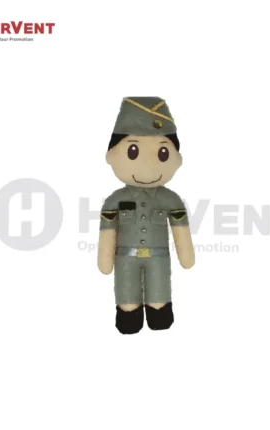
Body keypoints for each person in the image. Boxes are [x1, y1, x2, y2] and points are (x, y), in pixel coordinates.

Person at [98, 97, 195, 334]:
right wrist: (104, 261)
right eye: (133, 151)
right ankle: (128, 313)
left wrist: (186, 256)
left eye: (162, 153)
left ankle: (159, 311)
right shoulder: (113, 201)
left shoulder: (171, 200)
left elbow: (181, 231)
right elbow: (107, 234)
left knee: (160, 286)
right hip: (125, 259)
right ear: (112, 154)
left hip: (159, 258)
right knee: (126, 289)